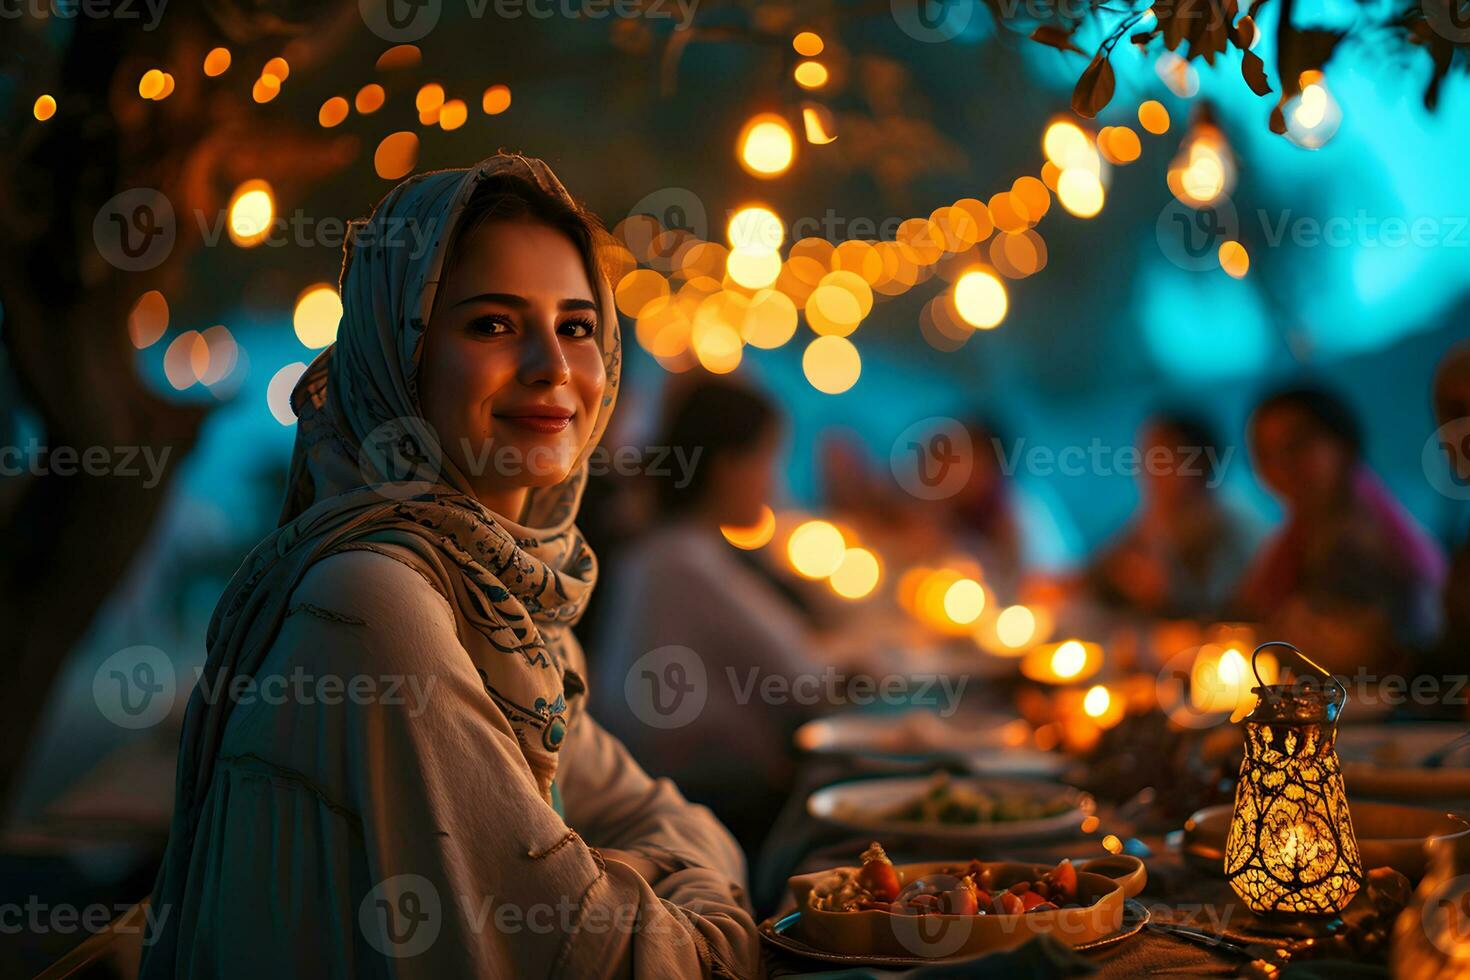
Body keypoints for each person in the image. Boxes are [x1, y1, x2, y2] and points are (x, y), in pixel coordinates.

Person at [140, 155, 759, 978]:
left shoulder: (506, 600)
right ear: (398, 359)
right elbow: (598, 953)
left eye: (577, 325)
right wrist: (657, 882)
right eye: (493, 325)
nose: (551, 366)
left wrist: (627, 870)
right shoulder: (371, 602)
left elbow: (674, 824)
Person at [593, 376, 839, 856]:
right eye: (769, 459)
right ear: (728, 466)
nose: (774, 484)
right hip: (706, 807)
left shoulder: (662, 549)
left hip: (680, 795)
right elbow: (808, 681)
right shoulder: (684, 562)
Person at [1238, 384, 1445, 673]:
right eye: (1266, 453)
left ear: (1344, 444)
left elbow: (1374, 651)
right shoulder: (1305, 528)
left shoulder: (1363, 533)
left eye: (1296, 445)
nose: (1281, 465)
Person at [1090, 412, 1254, 620]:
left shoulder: (1232, 522)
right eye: (1144, 455)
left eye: (1161, 457)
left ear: (1199, 463)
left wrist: (1163, 601)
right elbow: (1100, 569)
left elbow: (1239, 611)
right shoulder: (1154, 518)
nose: (1146, 469)